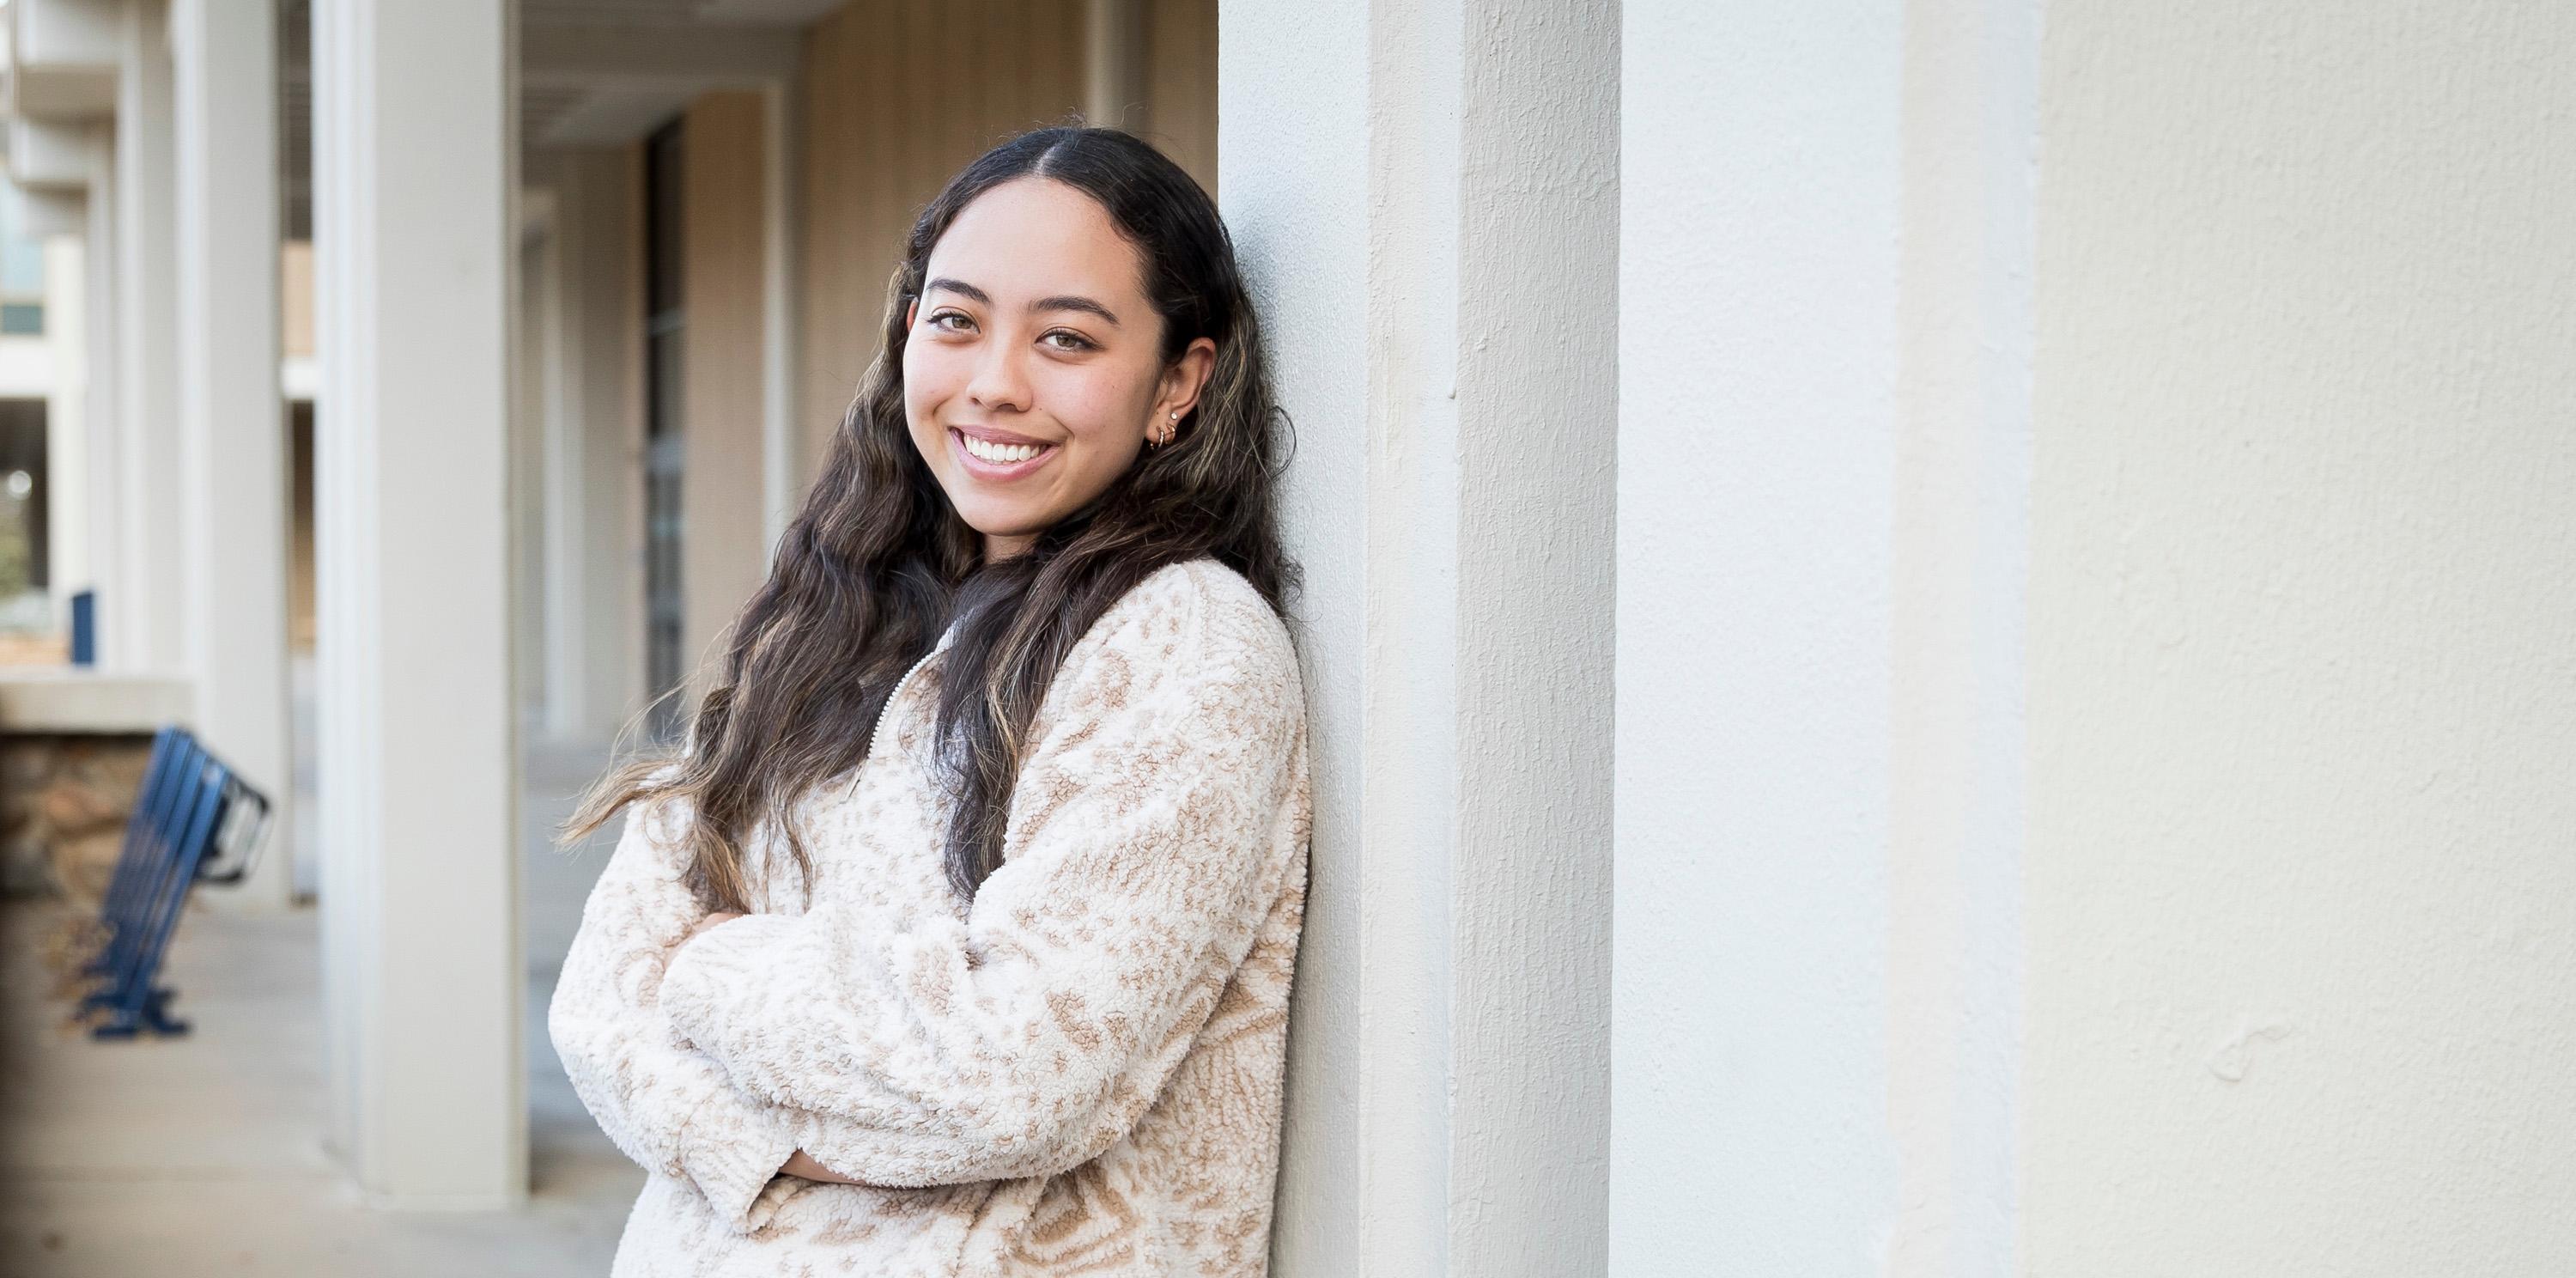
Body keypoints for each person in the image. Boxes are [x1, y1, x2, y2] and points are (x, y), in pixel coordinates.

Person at [548, 125, 1310, 1276]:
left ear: (1180, 381)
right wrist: (759, 1138)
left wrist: (712, 971)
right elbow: (601, 1005)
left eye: (1066, 339)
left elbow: (1011, 1077)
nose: (995, 384)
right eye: (956, 321)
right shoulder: (832, 619)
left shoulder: (1184, 643)